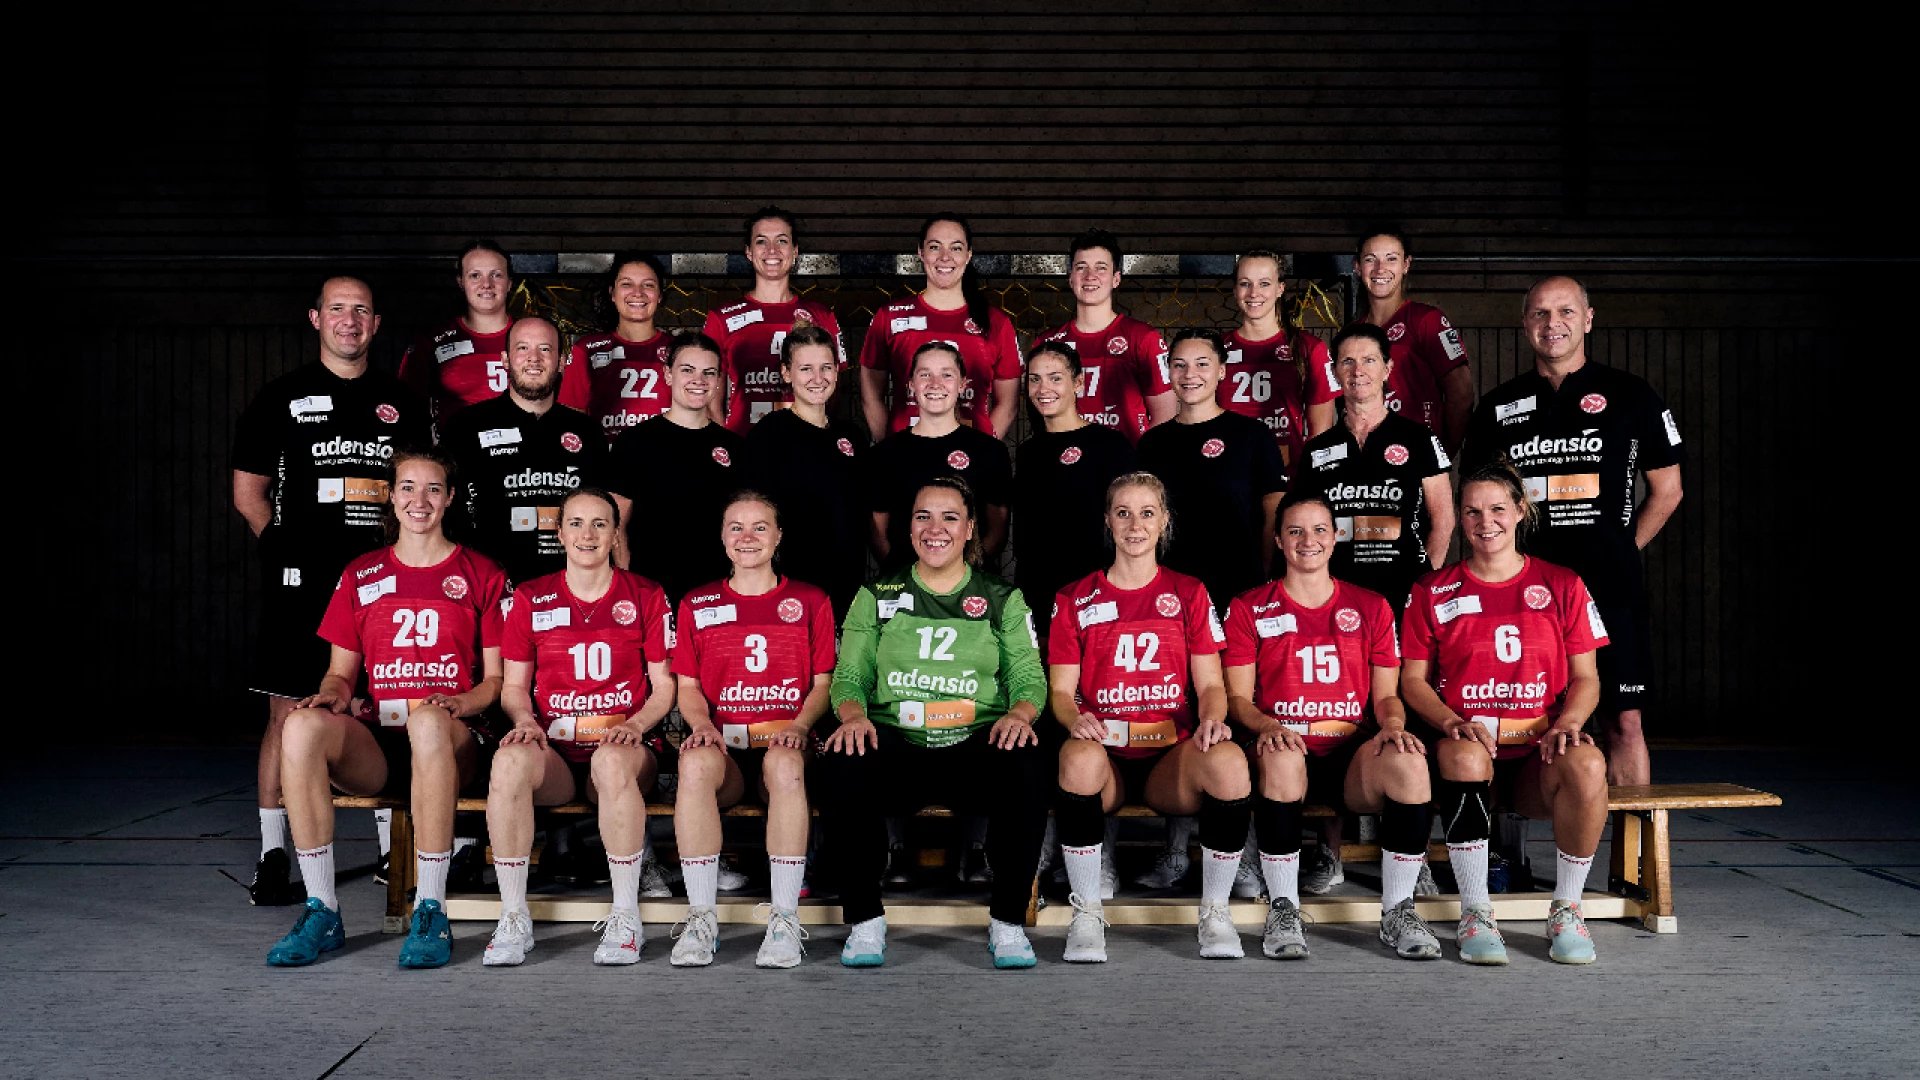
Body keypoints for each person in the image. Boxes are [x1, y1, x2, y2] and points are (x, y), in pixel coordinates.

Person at [265, 447, 508, 968]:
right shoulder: (362, 573)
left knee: (428, 723)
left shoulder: (481, 572)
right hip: (380, 744)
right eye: (408, 488)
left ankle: (430, 907)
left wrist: (458, 703)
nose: (420, 500)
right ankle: (322, 909)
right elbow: (340, 673)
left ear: (449, 498)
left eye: (433, 489)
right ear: (392, 497)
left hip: (451, 739)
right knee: (301, 725)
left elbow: (495, 682)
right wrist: (333, 694)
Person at [231, 275, 431, 906]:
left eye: (361, 310)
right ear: (316, 318)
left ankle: (390, 850)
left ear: (376, 324)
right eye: (338, 309)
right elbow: (248, 493)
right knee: (287, 714)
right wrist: (286, 553)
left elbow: (422, 490)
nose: (350, 320)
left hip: (386, 587)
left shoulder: (403, 403)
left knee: (388, 706)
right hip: (302, 587)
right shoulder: (279, 397)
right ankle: (273, 854)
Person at [1459, 276, 1683, 787]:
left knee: (1624, 722)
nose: (1552, 323)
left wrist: (1621, 548)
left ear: (1588, 319)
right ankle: (1508, 836)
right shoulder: (1498, 406)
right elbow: (1475, 496)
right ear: (1525, 325)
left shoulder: (1632, 395)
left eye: (1564, 311)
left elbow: (1668, 490)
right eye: (1539, 313)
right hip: (1522, 590)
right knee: (1509, 720)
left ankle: (1634, 840)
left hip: (1609, 586)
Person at [822, 478, 1050, 969]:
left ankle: (1008, 923)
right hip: (898, 745)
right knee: (843, 757)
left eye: (950, 517)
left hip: (974, 745)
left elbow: (1028, 677)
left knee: (1028, 760)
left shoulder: (1001, 597)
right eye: (922, 516)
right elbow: (850, 676)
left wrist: (1019, 713)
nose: (935, 528)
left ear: (970, 529)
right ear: (909, 529)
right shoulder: (876, 595)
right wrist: (854, 715)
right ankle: (865, 921)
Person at [1401, 460, 1611, 965]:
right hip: (1468, 756)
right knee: (1463, 754)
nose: (1484, 522)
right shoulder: (1432, 589)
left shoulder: (1562, 583)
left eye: (1497, 508)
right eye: (1471, 511)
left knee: (1588, 763)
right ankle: (1476, 912)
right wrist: (1451, 721)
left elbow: (1587, 678)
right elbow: (1411, 681)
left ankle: (1567, 910)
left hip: (1538, 755)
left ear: (1520, 510)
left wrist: (1569, 722)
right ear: (1460, 518)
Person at [1223, 493, 1439, 961]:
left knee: (1409, 761)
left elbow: (1386, 696)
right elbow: (1236, 700)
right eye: (1295, 531)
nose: (1309, 540)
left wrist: (1394, 724)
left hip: (1349, 757)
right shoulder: (1249, 607)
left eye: (1320, 529)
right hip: (1282, 752)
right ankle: (1283, 908)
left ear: (1336, 536)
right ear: (1278, 540)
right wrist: (1268, 725)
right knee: (1281, 754)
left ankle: (1399, 910)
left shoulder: (1371, 606)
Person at [1049, 473, 1254, 962]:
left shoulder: (1188, 591)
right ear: (1107, 521)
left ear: (1164, 521)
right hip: (1106, 757)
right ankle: (1087, 913)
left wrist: (1213, 718)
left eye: (1146, 513)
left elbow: (1211, 685)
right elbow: (1059, 691)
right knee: (1076, 757)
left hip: (1169, 759)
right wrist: (1074, 718)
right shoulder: (1074, 597)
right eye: (1123, 513)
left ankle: (1216, 912)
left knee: (1228, 761)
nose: (1134, 524)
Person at [481, 488, 676, 967]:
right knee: (508, 762)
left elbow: (664, 687)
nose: (587, 534)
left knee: (611, 761)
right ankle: (513, 916)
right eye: (576, 523)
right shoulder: (530, 597)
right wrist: (525, 721)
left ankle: (625, 916)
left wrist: (636, 724)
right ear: (559, 532)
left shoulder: (646, 594)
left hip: (624, 749)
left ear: (615, 534)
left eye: (599, 524)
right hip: (558, 754)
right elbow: (513, 687)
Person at [668, 492, 837, 968]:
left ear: (779, 536)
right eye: (736, 527)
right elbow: (688, 686)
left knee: (783, 764)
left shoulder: (810, 600)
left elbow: (824, 683)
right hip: (728, 749)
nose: (747, 537)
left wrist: (800, 725)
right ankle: (701, 919)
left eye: (760, 527)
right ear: (722, 537)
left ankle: (784, 920)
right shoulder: (698, 602)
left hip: (786, 746)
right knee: (694, 762)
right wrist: (702, 725)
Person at [1292, 322, 1456, 615]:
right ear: (1334, 372)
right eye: (1347, 361)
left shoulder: (1419, 439)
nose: (1358, 371)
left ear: (1387, 368)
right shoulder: (1317, 449)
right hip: (1335, 594)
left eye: (1369, 360)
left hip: (1403, 588)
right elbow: (1303, 522)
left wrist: (1424, 584)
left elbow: (1443, 519)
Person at [442, 317, 604, 588]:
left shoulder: (588, 432)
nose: (533, 359)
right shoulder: (465, 427)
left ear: (562, 361)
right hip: (488, 586)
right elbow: (448, 512)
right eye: (522, 348)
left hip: (571, 588)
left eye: (545, 349)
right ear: (505, 360)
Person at [1137, 328, 1289, 615]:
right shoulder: (1152, 443)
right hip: (1170, 593)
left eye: (1202, 364)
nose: (1189, 374)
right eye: (1179, 365)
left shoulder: (1252, 435)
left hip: (1239, 587)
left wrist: (1264, 576)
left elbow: (1274, 509)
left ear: (1221, 370)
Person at [604, 332, 747, 605]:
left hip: (719, 594)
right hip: (652, 595)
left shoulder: (735, 448)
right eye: (687, 370)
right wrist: (630, 587)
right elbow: (616, 526)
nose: (698, 380)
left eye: (708, 373)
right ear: (668, 375)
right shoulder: (634, 442)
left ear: (719, 380)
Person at [742, 325, 871, 620]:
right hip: (788, 590)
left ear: (837, 371)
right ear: (787, 373)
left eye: (826, 367)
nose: (818, 378)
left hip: (846, 585)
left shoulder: (852, 437)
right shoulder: (768, 435)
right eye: (806, 369)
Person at [1011, 341, 1138, 641]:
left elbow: (1131, 525)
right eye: (1035, 379)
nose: (1043, 389)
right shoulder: (1028, 452)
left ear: (1078, 383)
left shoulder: (1110, 445)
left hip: (1099, 595)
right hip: (1040, 593)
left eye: (1055, 378)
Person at [859, 213, 1023, 440]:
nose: (945, 257)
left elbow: (1008, 403)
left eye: (956, 248)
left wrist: (983, 450)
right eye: (935, 247)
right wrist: (889, 449)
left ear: (968, 255)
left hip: (970, 452)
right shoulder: (889, 317)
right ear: (921, 252)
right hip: (905, 450)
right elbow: (871, 396)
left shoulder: (997, 323)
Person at [398, 239, 589, 430]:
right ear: (460, 282)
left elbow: (569, 409)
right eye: (475, 275)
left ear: (509, 283)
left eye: (496, 275)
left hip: (528, 444)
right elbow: (406, 408)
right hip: (456, 445)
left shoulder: (536, 337)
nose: (486, 284)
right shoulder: (431, 341)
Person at [864, 342, 1012, 573]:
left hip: (971, 584)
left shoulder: (990, 451)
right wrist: (909, 579)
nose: (935, 384)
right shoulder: (884, 454)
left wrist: (961, 578)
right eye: (925, 374)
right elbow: (878, 533)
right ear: (911, 383)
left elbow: (997, 530)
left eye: (947, 375)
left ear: (962, 384)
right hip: (905, 585)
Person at [704, 207, 849, 433]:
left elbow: (837, 392)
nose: (772, 250)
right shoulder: (722, 317)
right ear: (749, 252)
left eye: (782, 241)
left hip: (807, 442)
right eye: (761, 241)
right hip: (744, 441)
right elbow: (709, 398)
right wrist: (726, 443)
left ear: (795, 251)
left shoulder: (821, 316)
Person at [1037, 229, 1175, 442]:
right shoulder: (1048, 342)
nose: (1090, 276)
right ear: (1070, 278)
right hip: (1065, 456)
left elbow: (1165, 415)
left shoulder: (1143, 338)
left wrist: (1138, 457)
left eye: (1101, 268)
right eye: (1081, 267)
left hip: (1125, 459)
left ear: (1116, 279)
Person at [1348, 230, 1472, 453]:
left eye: (1391, 258)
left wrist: (1441, 455)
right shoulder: (1351, 333)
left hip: (1416, 458)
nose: (1380, 269)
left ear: (1406, 264)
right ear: (1357, 267)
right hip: (1366, 460)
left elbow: (1462, 393)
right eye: (1370, 259)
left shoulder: (1428, 320)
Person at [1219, 249, 1340, 469]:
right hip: (1227, 471)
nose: (1254, 293)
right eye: (1245, 283)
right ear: (1235, 290)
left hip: (1287, 476)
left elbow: (1321, 434)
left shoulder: (1310, 348)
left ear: (1280, 288)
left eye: (1264, 283)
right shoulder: (1216, 349)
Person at [575, 252, 675, 445]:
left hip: (666, 458)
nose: (638, 293)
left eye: (648, 285)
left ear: (660, 296)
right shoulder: (586, 350)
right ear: (612, 293)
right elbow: (571, 420)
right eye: (627, 284)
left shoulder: (680, 351)